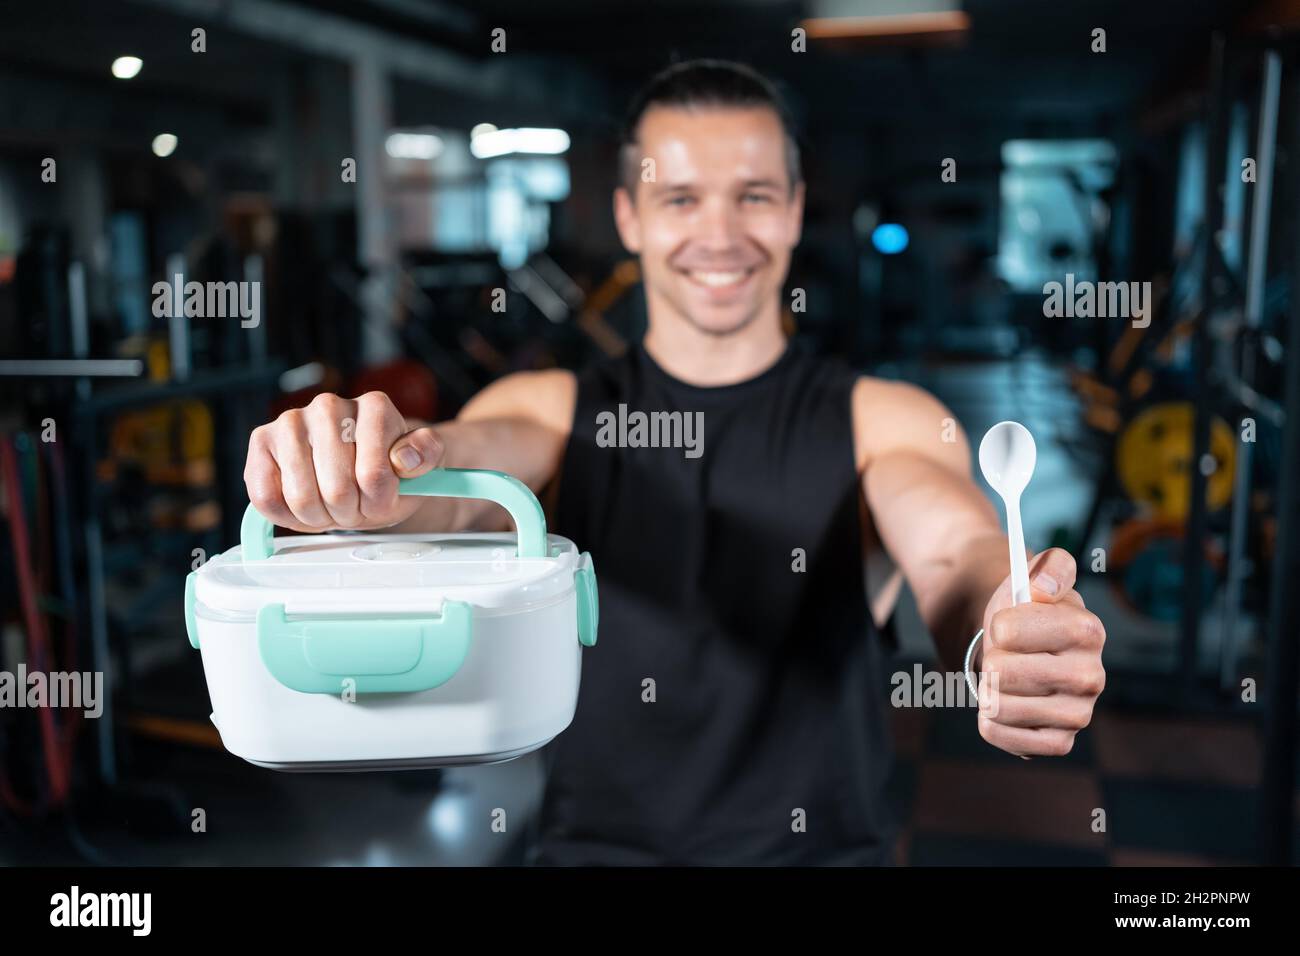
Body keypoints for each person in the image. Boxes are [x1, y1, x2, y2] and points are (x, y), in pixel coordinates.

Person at [242, 59, 1106, 866]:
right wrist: (369, 468)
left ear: (797, 208)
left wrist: (1002, 628)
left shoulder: (882, 418)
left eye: (755, 195)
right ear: (630, 216)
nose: (720, 235)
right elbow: (461, 479)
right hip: (597, 852)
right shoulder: (547, 409)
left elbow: (955, 551)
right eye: (681, 197)